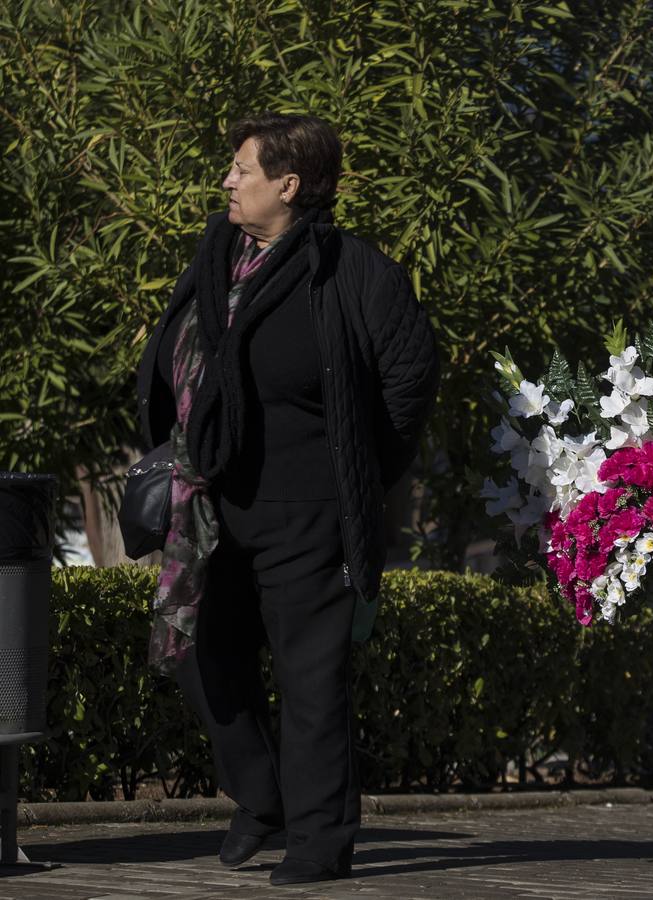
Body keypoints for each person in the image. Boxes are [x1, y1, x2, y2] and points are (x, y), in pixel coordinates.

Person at [135, 113, 439, 885]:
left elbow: (408, 380)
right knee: (201, 656)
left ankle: (319, 839)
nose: (228, 181)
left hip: (308, 507)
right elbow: (172, 350)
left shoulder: (352, 270)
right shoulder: (216, 254)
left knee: (311, 680)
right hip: (211, 501)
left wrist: (360, 473)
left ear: (289, 185)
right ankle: (260, 792)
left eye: (243, 169)